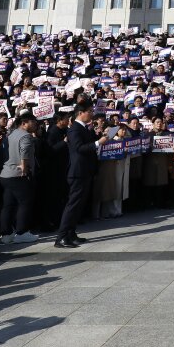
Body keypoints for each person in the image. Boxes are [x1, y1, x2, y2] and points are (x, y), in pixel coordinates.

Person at [55, 103, 106, 249]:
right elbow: (79, 148)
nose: (91, 114)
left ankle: (71, 233)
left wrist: (98, 135)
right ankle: (61, 237)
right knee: (73, 205)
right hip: (77, 172)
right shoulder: (74, 129)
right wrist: (98, 143)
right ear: (80, 113)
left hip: (86, 171)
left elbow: (88, 143)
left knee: (79, 205)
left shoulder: (84, 128)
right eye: (89, 111)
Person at [0, 113, 38, 244]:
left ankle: (6, 234)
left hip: (6, 173)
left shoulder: (11, 134)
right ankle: (22, 232)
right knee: (25, 202)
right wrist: (25, 169)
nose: (36, 124)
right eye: (33, 122)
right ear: (24, 122)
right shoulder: (25, 135)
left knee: (8, 205)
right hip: (18, 174)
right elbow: (24, 152)